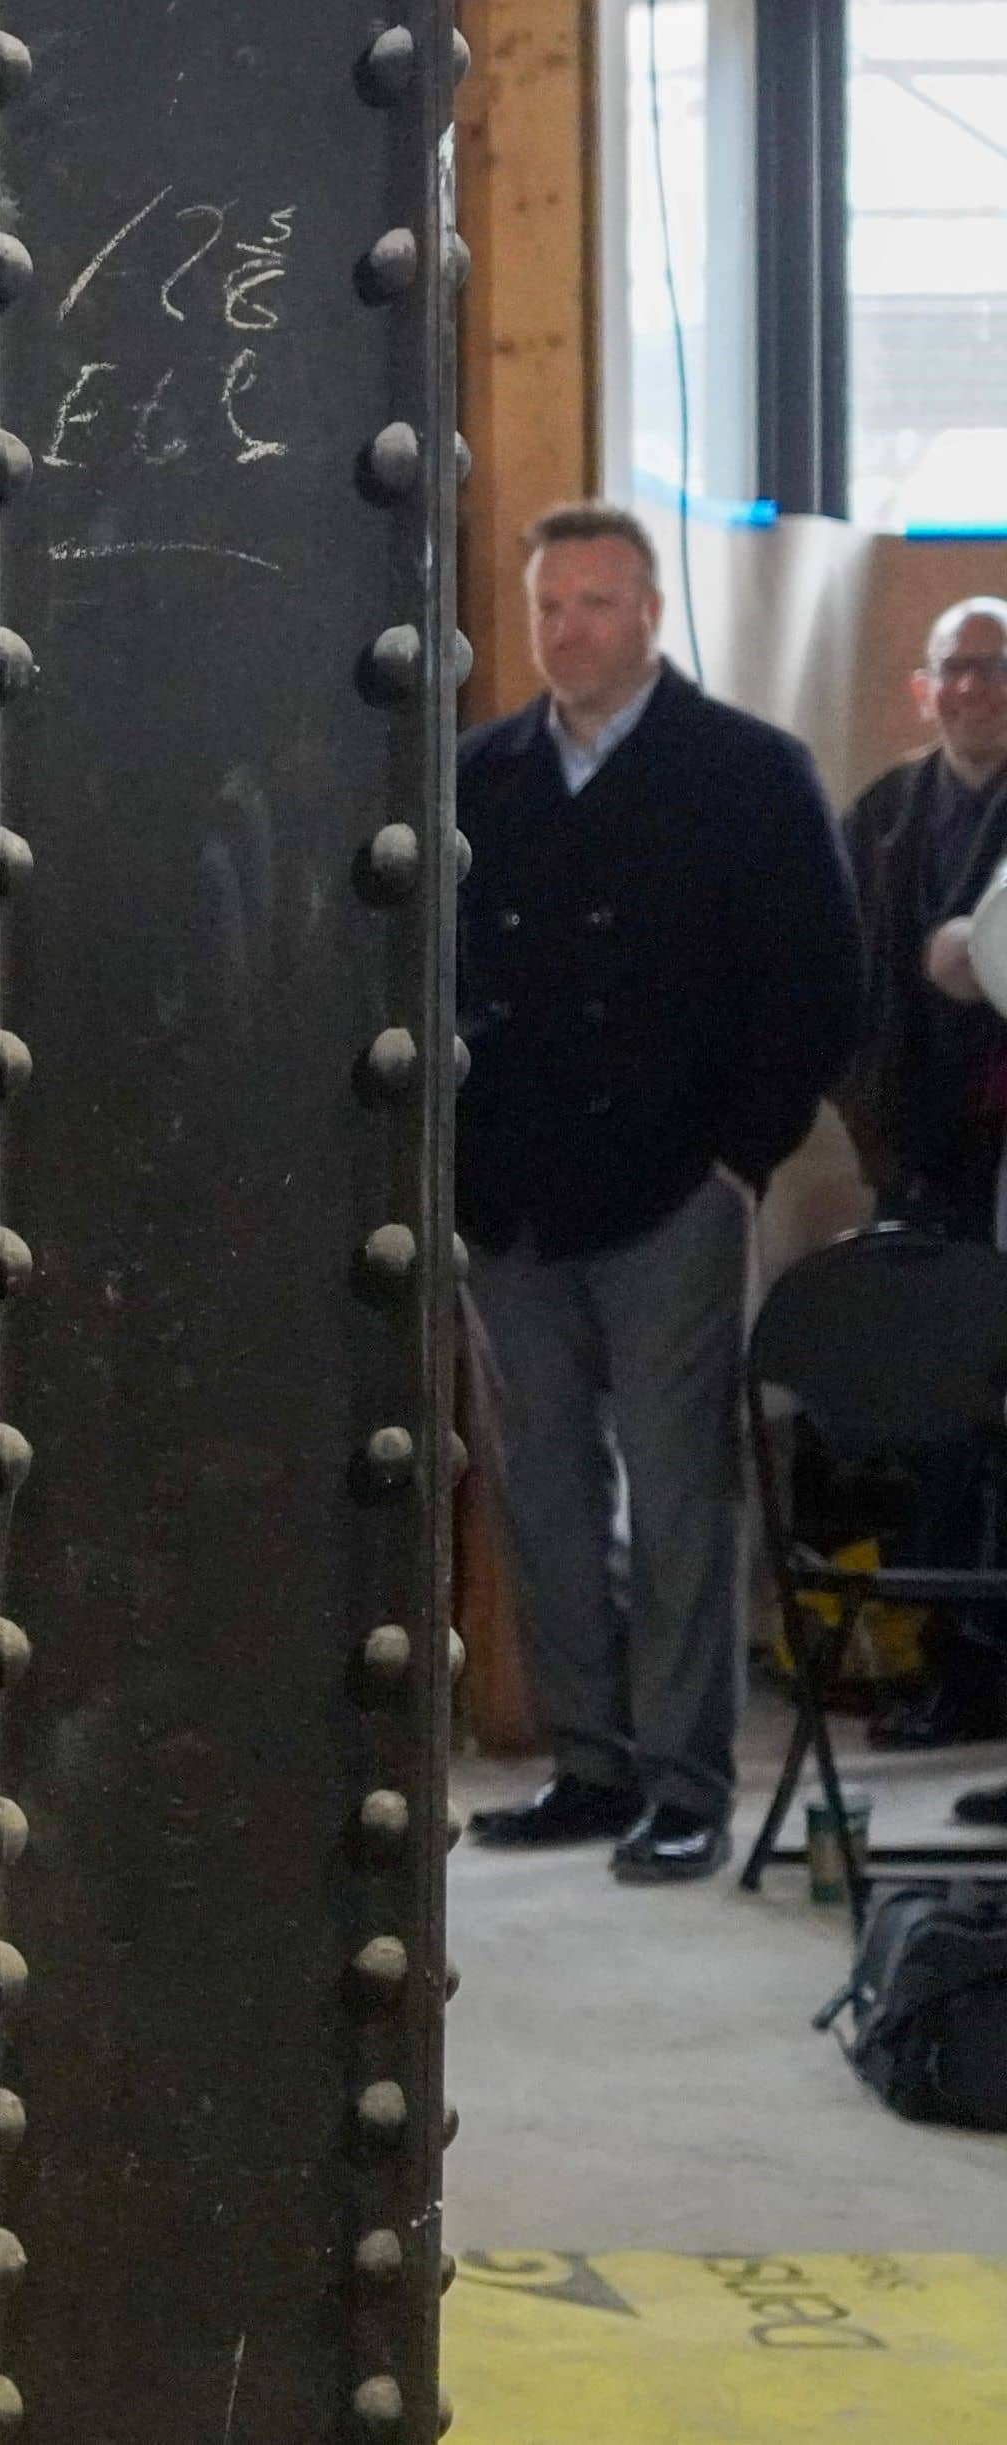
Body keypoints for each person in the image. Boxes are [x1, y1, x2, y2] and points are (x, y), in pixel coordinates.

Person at [457, 503, 861, 1885]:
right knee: (541, 1493)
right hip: (507, 1204)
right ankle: (591, 1760)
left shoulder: (747, 771)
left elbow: (821, 983)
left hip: (670, 1194)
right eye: (550, 607)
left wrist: (734, 1155)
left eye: (599, 604)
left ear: (653, 614)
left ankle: (687, 1779)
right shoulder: (477, 776)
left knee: (683, 1489)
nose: (571, 630)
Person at [837, 597, 1007, 1760]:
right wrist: (879, 1147)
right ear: (923, 687)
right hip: (918, 1161)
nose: (973, 692)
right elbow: (846, 991)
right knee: (936, 1427)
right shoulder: (887, 814)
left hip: (1004, 1154)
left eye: (994, 672)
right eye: (955, 670)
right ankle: (948, 1671)